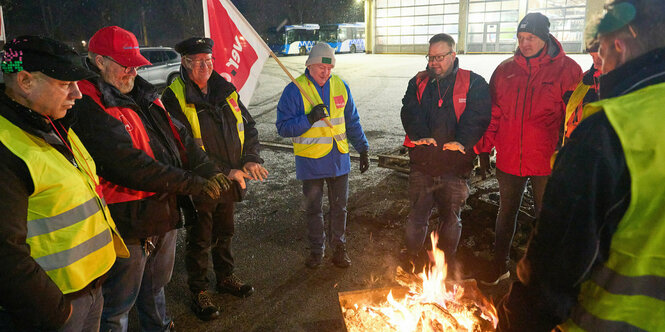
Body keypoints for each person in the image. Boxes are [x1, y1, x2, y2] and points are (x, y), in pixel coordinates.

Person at [496, 0, 665, 330]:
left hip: (607, 320)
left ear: (618, 44)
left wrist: (514, 319)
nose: (599, 62)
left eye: (600, 50)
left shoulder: (609, 131)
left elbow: (553, 267)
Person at [71, 26, 231, 331]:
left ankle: (159, 327)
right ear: (99, 61)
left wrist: (206, 168)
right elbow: (128, 165)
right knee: (117, 305)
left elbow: (179, 136)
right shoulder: (88, 102)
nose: (132, 71)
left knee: (155, 286)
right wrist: (191, 183)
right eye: (124, 64)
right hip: (127, 220)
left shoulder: (141, 92)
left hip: (160, 211)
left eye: (134, 64)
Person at [0, 36, 129, 331]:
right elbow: (4, 251)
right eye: (65, 83)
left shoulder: (49, 121)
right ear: (25, 80)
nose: (77, 94)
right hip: (56, 306)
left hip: (90, 288)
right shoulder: (6, 144)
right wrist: (56, 312)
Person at [161, 37, 268, 321]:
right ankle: (198, 291)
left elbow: (249, 126)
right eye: (197, 62)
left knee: (225, 232)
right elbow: (184, 147)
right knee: (200, 238)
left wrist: (251, 158)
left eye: (208, 61)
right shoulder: (174, 96)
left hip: (231, 178)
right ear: (184, 62)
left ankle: (225, 277)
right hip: (202, 182)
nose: (204, 67)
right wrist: (223, 170)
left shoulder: (226, 89)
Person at [476, 12, 582, 285]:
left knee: (545, 218)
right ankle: (499, 265)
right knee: (506, 212)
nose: (525, 43)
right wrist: (484, 150)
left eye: (530, 38)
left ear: (544, 37)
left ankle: (544, 275)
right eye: (521, 38)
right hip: (510, 158)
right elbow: (493, 114)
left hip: (547, 161)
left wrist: (570, 157)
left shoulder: (568, 70)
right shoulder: (504, 70)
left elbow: (575, 119)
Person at [400, 33, 491, 271]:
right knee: (417, 217)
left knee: (451, 218)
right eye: (430, 57)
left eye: (439, 57)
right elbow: (409, 110)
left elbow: (478, 116)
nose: (433, 63)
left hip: (455, 166)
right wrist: (420, 135)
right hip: (423, 164)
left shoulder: (474, 82)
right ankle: (411, 257)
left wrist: (462, 141)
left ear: (453, 54)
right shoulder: (418, 82)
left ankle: (442, 264)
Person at [276, 43, 369, 269]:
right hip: (311, 162)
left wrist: (363, 148)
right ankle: (317, 251)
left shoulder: (340, 85)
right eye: (320, 67)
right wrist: (309, 118)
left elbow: (352, 121)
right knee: (313, 210)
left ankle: (339, 248)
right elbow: (283, 127)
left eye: (329, 68)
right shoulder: (295, 89)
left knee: (340, 209)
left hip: (339, 160)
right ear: (309, 65)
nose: (325, 73)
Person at [562, 42, 603, 144]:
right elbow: (569, 120)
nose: (596, 63)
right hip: (578, 146)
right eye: (593, 56)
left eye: (601, 56)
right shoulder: (583, 82)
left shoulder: (624, 83)